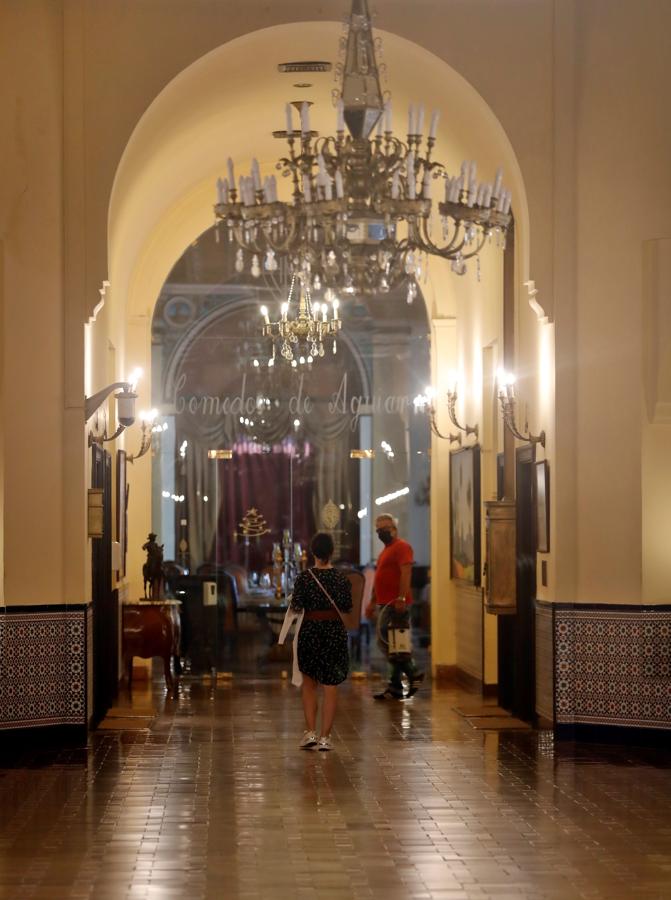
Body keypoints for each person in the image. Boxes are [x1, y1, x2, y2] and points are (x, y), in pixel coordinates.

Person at [289, 532, 352, 751]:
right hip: (333, 631)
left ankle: (310, 733)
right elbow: (346, 606)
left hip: (310, 631)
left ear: (312, 553)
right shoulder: (341, 578)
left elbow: (296, 606)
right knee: (331, 685)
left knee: (309, 684)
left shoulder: (305, 578)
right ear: (332, 552)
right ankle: (326, 737)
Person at [365, 514, 424, 700]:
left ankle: (413, 673)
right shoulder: (384, 551)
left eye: (385, 528)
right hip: (384, 604)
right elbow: (379, 579)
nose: (381, 532)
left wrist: (400, 598)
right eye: (378, 529)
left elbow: (406, 573)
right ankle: (395, 687)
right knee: (389, 645)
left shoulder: (402, 547)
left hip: (395, 604)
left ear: (394, 528)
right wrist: (373, 601)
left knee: (394, 646)